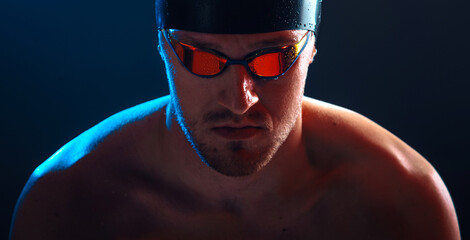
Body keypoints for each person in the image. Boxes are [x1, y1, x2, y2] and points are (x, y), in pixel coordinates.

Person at [10, 0, 460, 239]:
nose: (240, 100)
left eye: (271, 59)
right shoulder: (70, 200)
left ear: (312, 49)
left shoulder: (400, 199)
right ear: (164, 48)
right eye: (203, 58)